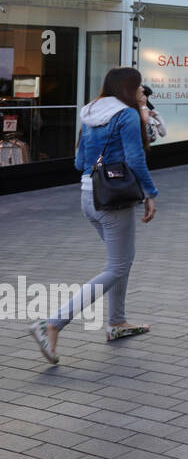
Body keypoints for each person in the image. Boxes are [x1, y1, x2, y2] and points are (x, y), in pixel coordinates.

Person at [29, 67, 159, 364]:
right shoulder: (125, 115)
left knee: (121, 261)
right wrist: (150, 193)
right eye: (139, 87)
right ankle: (51, 323)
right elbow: (136, 159)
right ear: (128, 89)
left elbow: (79, 162)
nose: (143, 92)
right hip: (113, 200)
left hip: (89, 196)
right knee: (117, 266)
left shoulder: (90, 112)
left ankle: (117, 323)